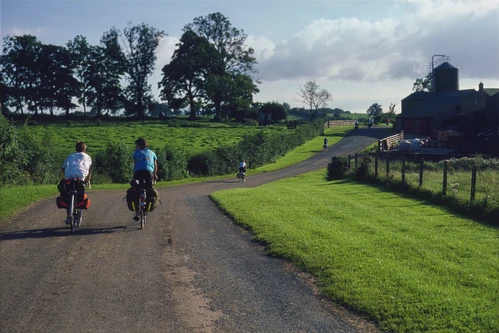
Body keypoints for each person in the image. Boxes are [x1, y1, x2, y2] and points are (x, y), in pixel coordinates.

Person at [60, 141, 92, 224]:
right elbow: (89, 170)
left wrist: (66, 175)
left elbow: (63, 167)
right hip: (80, 178)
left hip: (69, 177)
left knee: (67, 194)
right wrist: (88, 180)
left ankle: (68, 216)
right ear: (84, 149)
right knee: (81, 193)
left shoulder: (70, 156)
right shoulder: (87, 157)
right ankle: (78, 208)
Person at [132, 138, 158, 220]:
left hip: (138, 173)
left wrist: (134, 174)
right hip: (148, 173)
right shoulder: (152, 153)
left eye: (136, 145)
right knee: (149, 189)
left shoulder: (136, 153)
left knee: (136, 190)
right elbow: (155, 166)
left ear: (139, 145)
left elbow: (135, 165)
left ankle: (137, 212)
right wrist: (154, 174)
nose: (135, 147)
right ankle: (146, 209)